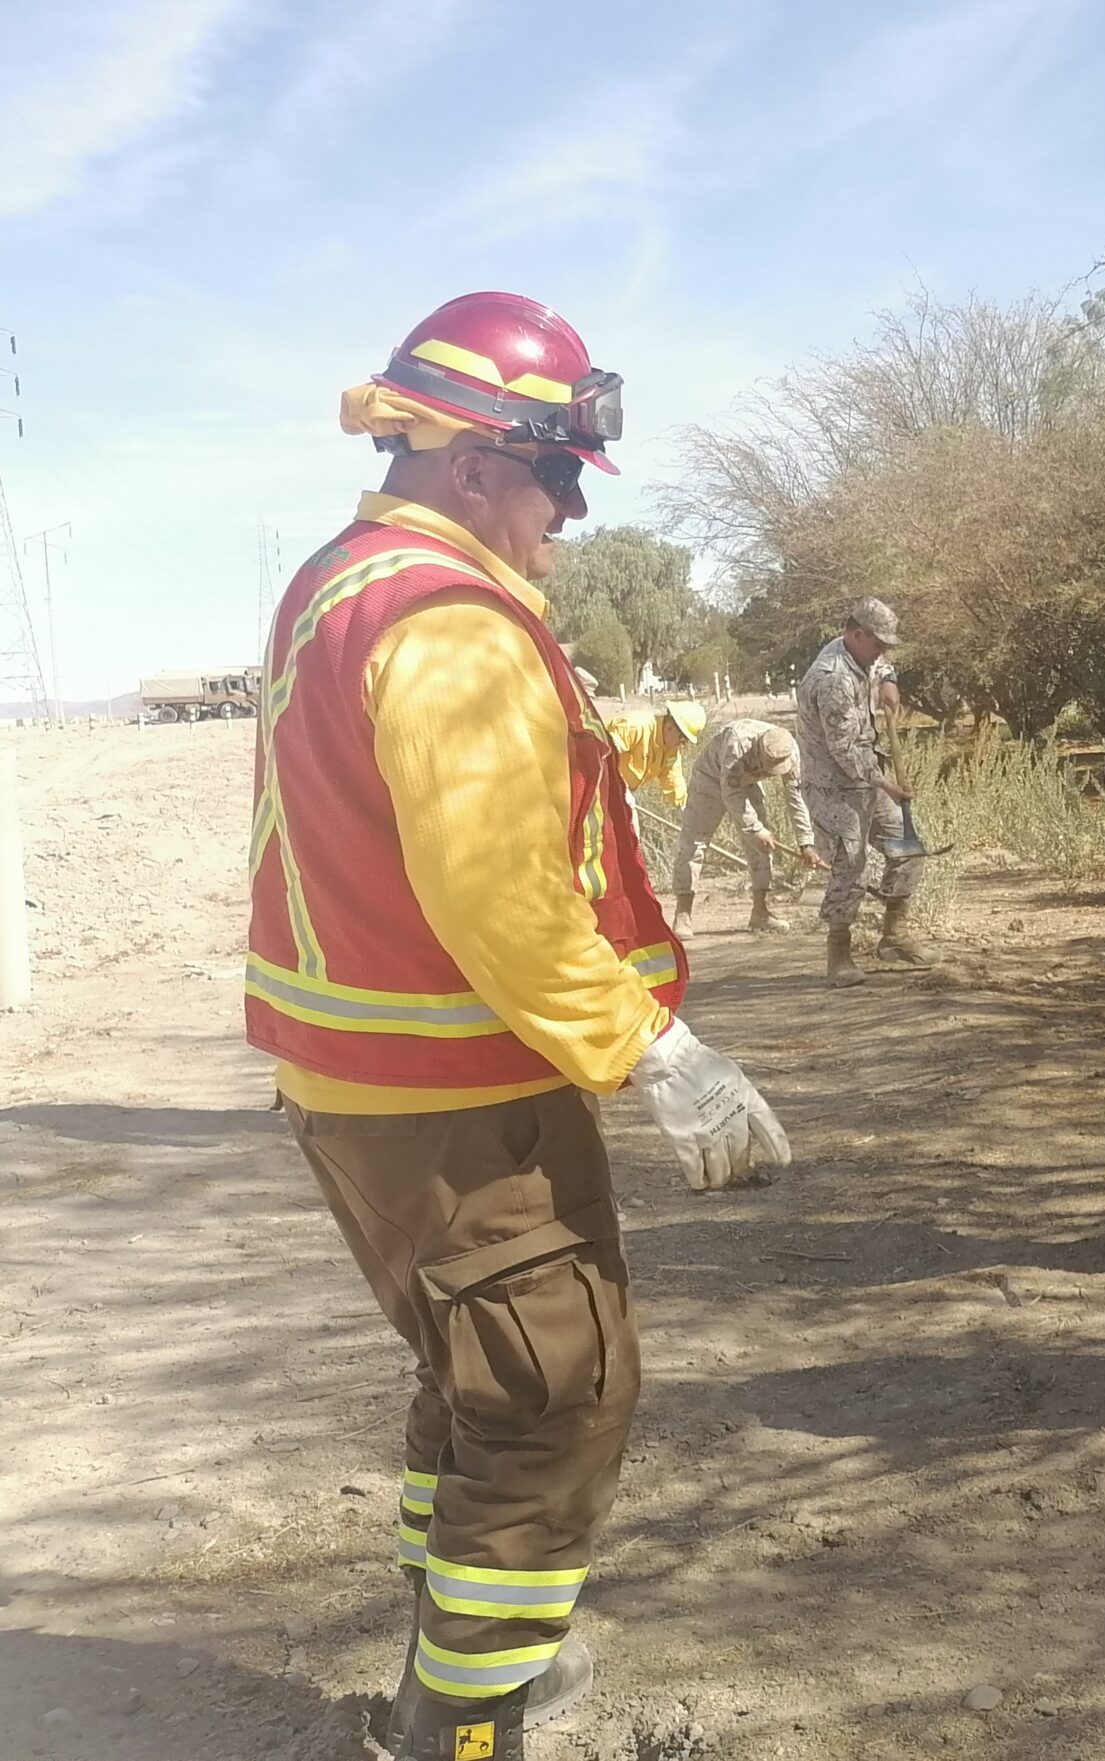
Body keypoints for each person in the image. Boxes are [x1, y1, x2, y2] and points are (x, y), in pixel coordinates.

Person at [252, 293, 790, 1761]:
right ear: (480, 463)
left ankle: (471, 1652)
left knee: (474, 1376)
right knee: (557, 1401)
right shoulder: (450, 624)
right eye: (555, 475)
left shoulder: (342, 579)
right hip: (452, 1096)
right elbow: (497, 895)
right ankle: (463, 1726)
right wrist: (655, 1052)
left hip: (369, 1088)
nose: (568, 510)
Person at [797, 597, 929, 986]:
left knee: (908, 847)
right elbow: (846, 751)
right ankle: (838, 956)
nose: (883, 652)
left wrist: (888, 679)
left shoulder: (862, 657)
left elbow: (879, 663)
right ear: (857, 634)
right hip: (833, 787)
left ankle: (895, 937)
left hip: (865, 781)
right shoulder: (832, 678)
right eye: (879, 644)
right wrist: (888, 783)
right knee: (849, 868)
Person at [670, 718, 821, 937]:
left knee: (762, 846)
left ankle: (760, 912)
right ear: (758, 752)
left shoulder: (790, 750)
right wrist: (755, 829)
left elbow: (796, 798)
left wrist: (806, 843)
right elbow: (732, 795)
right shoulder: (737, 745)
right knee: (694, 842)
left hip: (748, 781)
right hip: (710, 778)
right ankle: (683, 914)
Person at [604, 699, 707, 809]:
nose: (683, 744)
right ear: (669, 727)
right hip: (597, 784)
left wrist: (684, 807)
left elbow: (673, 779)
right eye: (683, 739)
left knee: (630, 824)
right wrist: (618, 787)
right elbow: (602, 756)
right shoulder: (636, 727)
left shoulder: (670, 749)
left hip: (620, 793)